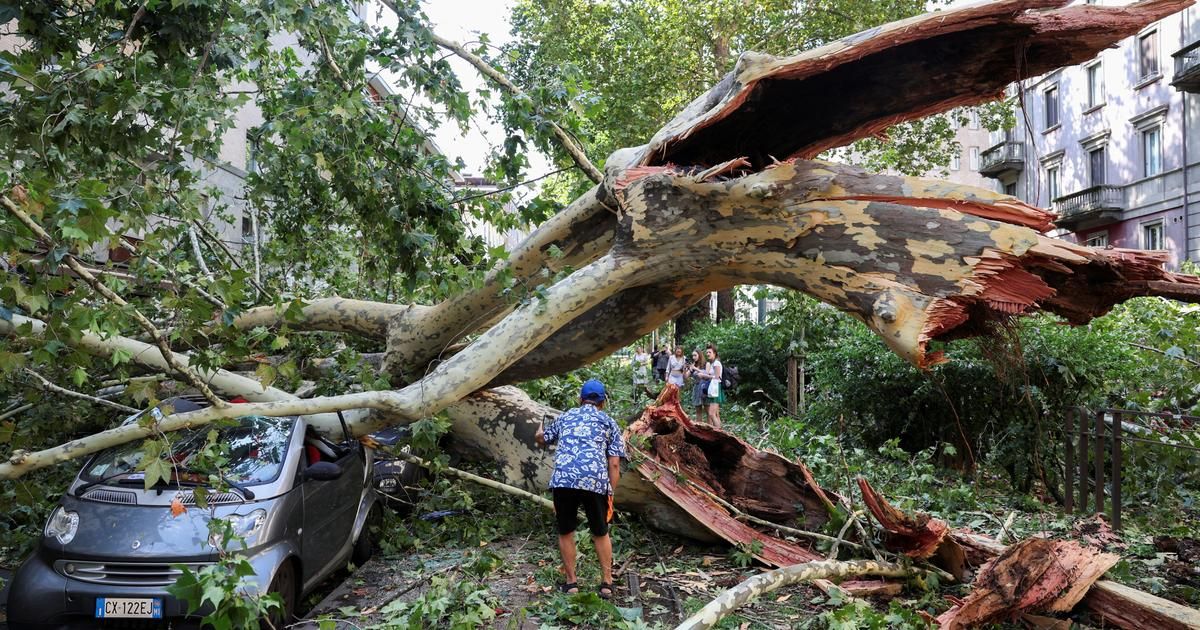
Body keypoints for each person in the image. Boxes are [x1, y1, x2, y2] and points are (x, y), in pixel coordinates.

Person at [535, 379, 627, 599]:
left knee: (566, 531)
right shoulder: (609, 422)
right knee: (600, 531)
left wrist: (539, 431)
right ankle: (606, 583)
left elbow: (542, 439)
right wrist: (610, 492)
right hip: (594, 482)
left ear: (580, 399)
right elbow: (614, 464)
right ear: (603, 402)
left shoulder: (566, 416)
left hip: (564, 481)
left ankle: (571, 583)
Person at [705, 344, 725, 428]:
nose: (708, 354)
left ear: (715, 353)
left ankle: (719, 433)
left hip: (716, 389)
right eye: (707, 352)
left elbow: (717, 377)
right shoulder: (712, 363)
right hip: (713, 389)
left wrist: (705, 376)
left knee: (711, 413)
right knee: (715, 414)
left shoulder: (716, 363)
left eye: (710, 352)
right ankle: (719, 432)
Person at [687, 349, 708, 419]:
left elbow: (707, 374)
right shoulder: (693, 365)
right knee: (698, 410)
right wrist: (687, 369)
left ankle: (710, 428)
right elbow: (686, 376)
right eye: (692, 356)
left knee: (707, 410)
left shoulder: (706, 364)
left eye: (695, 355)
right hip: (696, 388)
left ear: (700, 355)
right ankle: (699, 427)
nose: (693, 357)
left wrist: (695, 368)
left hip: (704, 388)